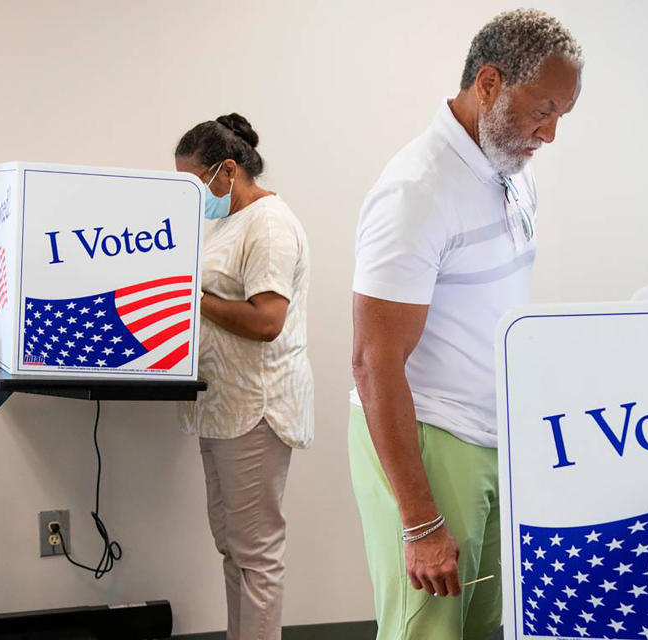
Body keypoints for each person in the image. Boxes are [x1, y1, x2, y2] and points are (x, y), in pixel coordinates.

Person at [349, 9, 583, 639]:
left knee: (488, 626)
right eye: (544, 109)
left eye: (563, 113)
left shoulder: (512, 172)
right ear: (488, 83)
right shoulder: (416, 190)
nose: (551, 133)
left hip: (493, 436)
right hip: (430, 431)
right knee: (429, 631)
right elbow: (374, 363)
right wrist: (421, 522)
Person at [176, 113, 313, 640]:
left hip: (258, 407)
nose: (193, 197)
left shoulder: (270, 224)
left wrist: (194, 298)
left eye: (195, 182)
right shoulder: (226, 220)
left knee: (255, 554)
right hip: (221, 405)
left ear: (227, 170)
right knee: (232, 546)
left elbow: (266, 321)